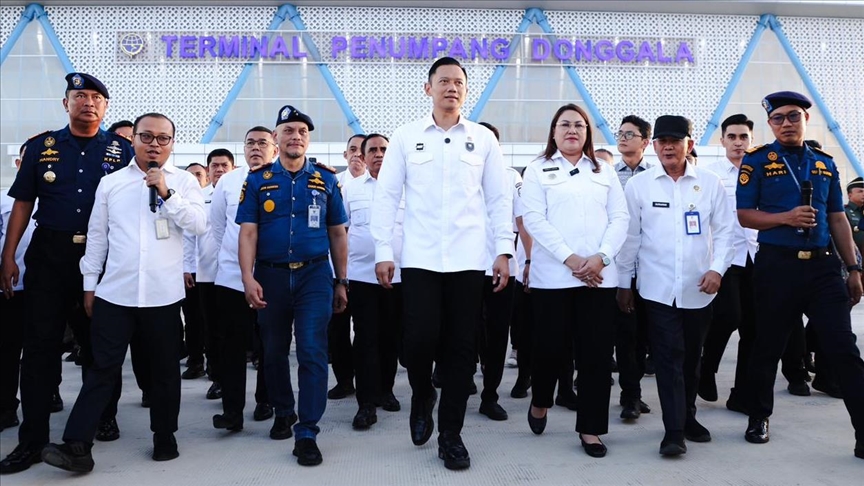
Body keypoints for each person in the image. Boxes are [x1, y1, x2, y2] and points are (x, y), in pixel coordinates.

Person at [40, 112, 207, 472]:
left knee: (164, 371)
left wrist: (166, 192)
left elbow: (199, 225)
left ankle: (165, 436)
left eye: (163, 138)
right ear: (133, 140)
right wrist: (90, 285)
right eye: (147, 137)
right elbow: (97, 238)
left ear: (172, 143)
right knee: (101, 369)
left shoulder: (184, 182)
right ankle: (77, 446)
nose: (154, 145)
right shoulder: (111, 183)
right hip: (114, 294)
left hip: (162, 297)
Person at [370, 56, 513, 471]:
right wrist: (384, 250)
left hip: (470, 261)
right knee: (417, 341)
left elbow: (499, 199)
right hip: (420, 259)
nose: (452, 87)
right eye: (444, 81)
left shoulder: (484, 138)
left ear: (465, 91)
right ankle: (421, 394)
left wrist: (502, 250)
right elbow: (387, 196)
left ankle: (451, 435)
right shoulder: (406, 137)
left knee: (462, 349)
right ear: (428, 88)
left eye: (459, 82)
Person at [0, 73, 133, 475]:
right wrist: (9, 257)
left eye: (96, 97)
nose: (88, 102)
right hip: (49, 258)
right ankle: (32, 439)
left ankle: (99, 420)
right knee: (39, 348)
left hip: (100, 258)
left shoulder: (121, 150)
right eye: (80, 96)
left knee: (99, 345)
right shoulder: (43, 147)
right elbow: (23, 203)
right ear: (66, 103)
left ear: (105, 107)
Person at [737, 91, 864, 460]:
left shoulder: (825, 163)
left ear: (806, 119)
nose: (787, 123)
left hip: (824, 268)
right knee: (768, 345)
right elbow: (745, 214)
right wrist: (784, 218)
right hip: (778, 266)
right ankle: (758, 417)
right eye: (778, 118)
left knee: (843, 346)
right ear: (770, 123)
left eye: (793, 116)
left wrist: (854, 267)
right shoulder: (757, 161)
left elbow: (837, 218)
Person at [236, 105, 348, 466]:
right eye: (288, 131)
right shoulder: (257, 180)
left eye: (301, 131)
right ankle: (284, 409)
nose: (295, 136)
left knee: (314, 349)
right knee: (273, 349)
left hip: (315, 275)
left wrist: (341, 280)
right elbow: (248, 232)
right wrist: (247, 276)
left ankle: (308, 430)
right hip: (270, 275)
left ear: (308, 138)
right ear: (276, 138)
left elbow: (337, 233)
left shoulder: (327, 180)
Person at [617, 115, 733, 456]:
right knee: (668, 358)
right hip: (657, 289)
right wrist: (624, 283)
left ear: (689, 144)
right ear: (653, 146)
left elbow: (726, 231)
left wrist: (717, 270)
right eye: (662, 141)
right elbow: (630, 239)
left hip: (699, 288)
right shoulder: (639, 187)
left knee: (691, 360)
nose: (669, 146)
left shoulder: (710, 183)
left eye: (676, 140)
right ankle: (674, 431)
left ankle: (689, 415)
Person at [520, 104, 629, 458]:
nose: (572, 130)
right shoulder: (537, 169)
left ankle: (591, 428)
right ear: (553, 132)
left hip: (598, 278)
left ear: (588, 132)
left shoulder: (604, 171)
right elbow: (535, 220)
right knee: (549, 349)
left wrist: (601, 258)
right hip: (553, 278)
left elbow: (620, 217)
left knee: (596, 355)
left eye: (579, 125)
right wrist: (571, 258)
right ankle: (540, 400)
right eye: (564, 124)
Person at [210, 127, 277, 433]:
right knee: (232, 346)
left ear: (274, 148)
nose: (255, 147)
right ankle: (232, 412)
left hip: (271, 275)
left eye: (263, 142)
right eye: (250, 142)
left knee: (269, 343)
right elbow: (219, 227)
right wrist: (240, 260)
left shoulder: (283, 178)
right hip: (232, 277)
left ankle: (266, 399)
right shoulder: (228, 181)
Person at [697, 114, 759, 412]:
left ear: (751, 139)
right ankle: (706, 368)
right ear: (722, 141)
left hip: (757, 256)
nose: (738, 142)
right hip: (725, 257)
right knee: (728, 316)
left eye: (743, 137)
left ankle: (742, 393)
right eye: (732, 137)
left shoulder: (761, 172)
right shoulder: (710, 175)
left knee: (753, 327)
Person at [342, 133, 403, 430]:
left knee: (391, 338)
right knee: (365, 339)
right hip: (362, 276)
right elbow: (341, 233)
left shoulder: (409, 190)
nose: (379, 154)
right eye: (373, 150)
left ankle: (386, 390)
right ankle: (365, 403)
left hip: (401, 278)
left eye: (384, 150)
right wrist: (339, 277)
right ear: (362, 157)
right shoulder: (350, 189)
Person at [475, 121, 521, 422]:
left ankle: (489, 395)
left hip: (502, 266)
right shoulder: (457, 175)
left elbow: (521, 221)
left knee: (497, 334)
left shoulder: (509, 176)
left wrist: (524, 260)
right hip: (463, 267)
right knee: (466, 332)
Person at [612, 115, 654, 421]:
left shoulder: (655, 178)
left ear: (645, 141)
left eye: (631, 134)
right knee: (624, 336)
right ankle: (629, 396)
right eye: (620, 133)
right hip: (615, 268)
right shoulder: (607, 175)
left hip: (650, 269)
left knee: (643, 337)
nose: (624, 138)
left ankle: (635, 391)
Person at [0, 144, 35, 432]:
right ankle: (6, 407)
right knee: (8, 350)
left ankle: (50, 393)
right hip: (13, 287)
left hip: (48, 286)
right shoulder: (4, 200)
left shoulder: (55, 198)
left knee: (44, 349)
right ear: (18, 162)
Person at [328, 134, 366, 400]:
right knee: (337, 331)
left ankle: (371, 383)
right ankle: (344, 381)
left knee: (368, 331)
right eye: (352, 149)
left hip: (367, 273)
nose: (357, 155)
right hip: (335, 271)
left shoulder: (383, 185)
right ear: (345, 154)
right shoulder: (333, 183)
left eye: (362, 150)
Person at [181, 161, 211, 381]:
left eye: (198, 174)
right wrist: (186, 268)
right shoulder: (181, 201)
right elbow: (186, 239)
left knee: (210, 321)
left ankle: (214, 366)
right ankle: (195, 361)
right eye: (190, 175)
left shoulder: (214, 197)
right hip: (189, 271)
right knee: (192, 320)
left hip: (211, 271)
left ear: (207, 176)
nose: (194, 178)